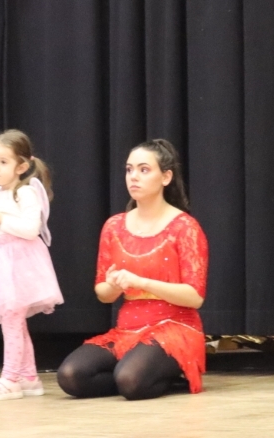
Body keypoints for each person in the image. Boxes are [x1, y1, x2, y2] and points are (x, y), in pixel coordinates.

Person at [57, 139, 208, 401]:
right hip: (127, 330)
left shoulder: (185, 227)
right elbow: (103, 293)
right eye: (129, 169)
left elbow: (194, 297)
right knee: (71, 376)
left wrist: (142, 282)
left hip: (175, 328)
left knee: (131, 381)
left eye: (143, 169)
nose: (133, 177)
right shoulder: (113, 226)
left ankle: (157, 375)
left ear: (166, 177)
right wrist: (114, 286)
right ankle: (139, 374)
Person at [0, 130, 63, 400]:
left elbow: (31, 230)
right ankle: (29, 378)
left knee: (12, 319)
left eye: (3, 162)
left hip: (20, 264)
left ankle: (10, 378)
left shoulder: (26, 193)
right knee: (15, 321)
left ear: (21, 167)